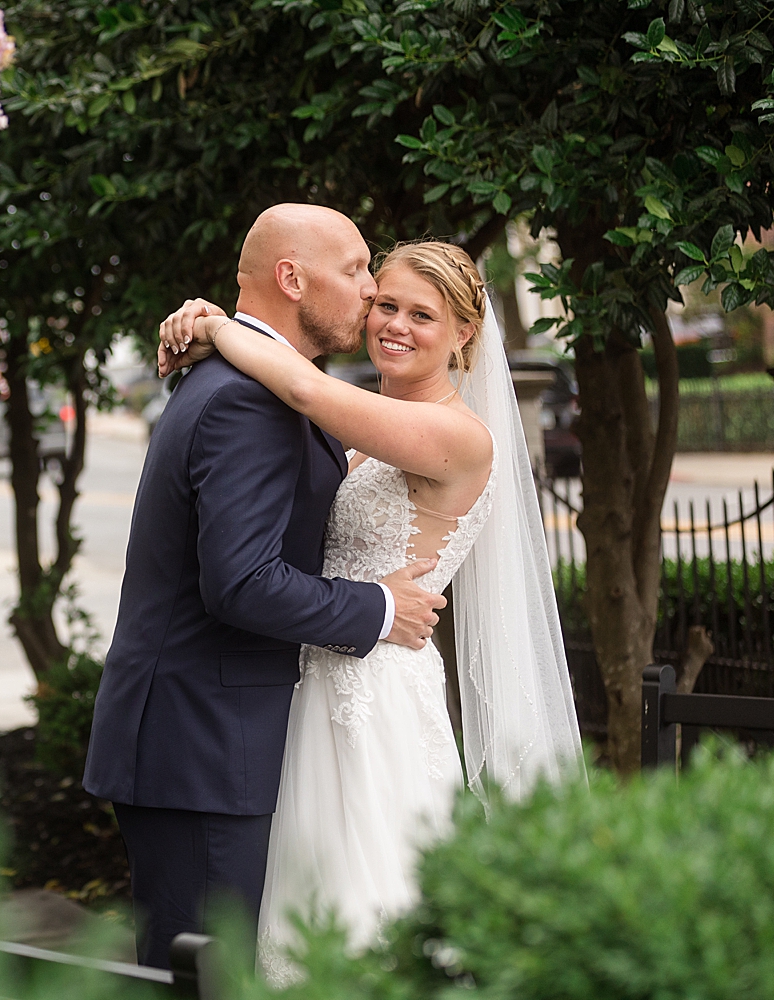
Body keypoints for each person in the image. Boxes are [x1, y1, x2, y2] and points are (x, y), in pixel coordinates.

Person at [158, 235, 583, 983]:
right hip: (316, 676)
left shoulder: (456, 433)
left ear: (464, 335)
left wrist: (221, 324)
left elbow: (308, 393)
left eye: (423, 314)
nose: (394, 323)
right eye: (384, 303)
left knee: (369, 894)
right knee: (305, 896)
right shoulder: (368, 427)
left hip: (378, 691)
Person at [81, 204, 449, 971]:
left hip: (214, 736)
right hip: (198, 746)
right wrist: (380, 607)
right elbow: (242, 583)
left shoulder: (254, 377)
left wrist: (217, 326)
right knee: (204, 976)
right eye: (353, 270)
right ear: (292, 277)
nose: (370, 286)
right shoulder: (247, 398)